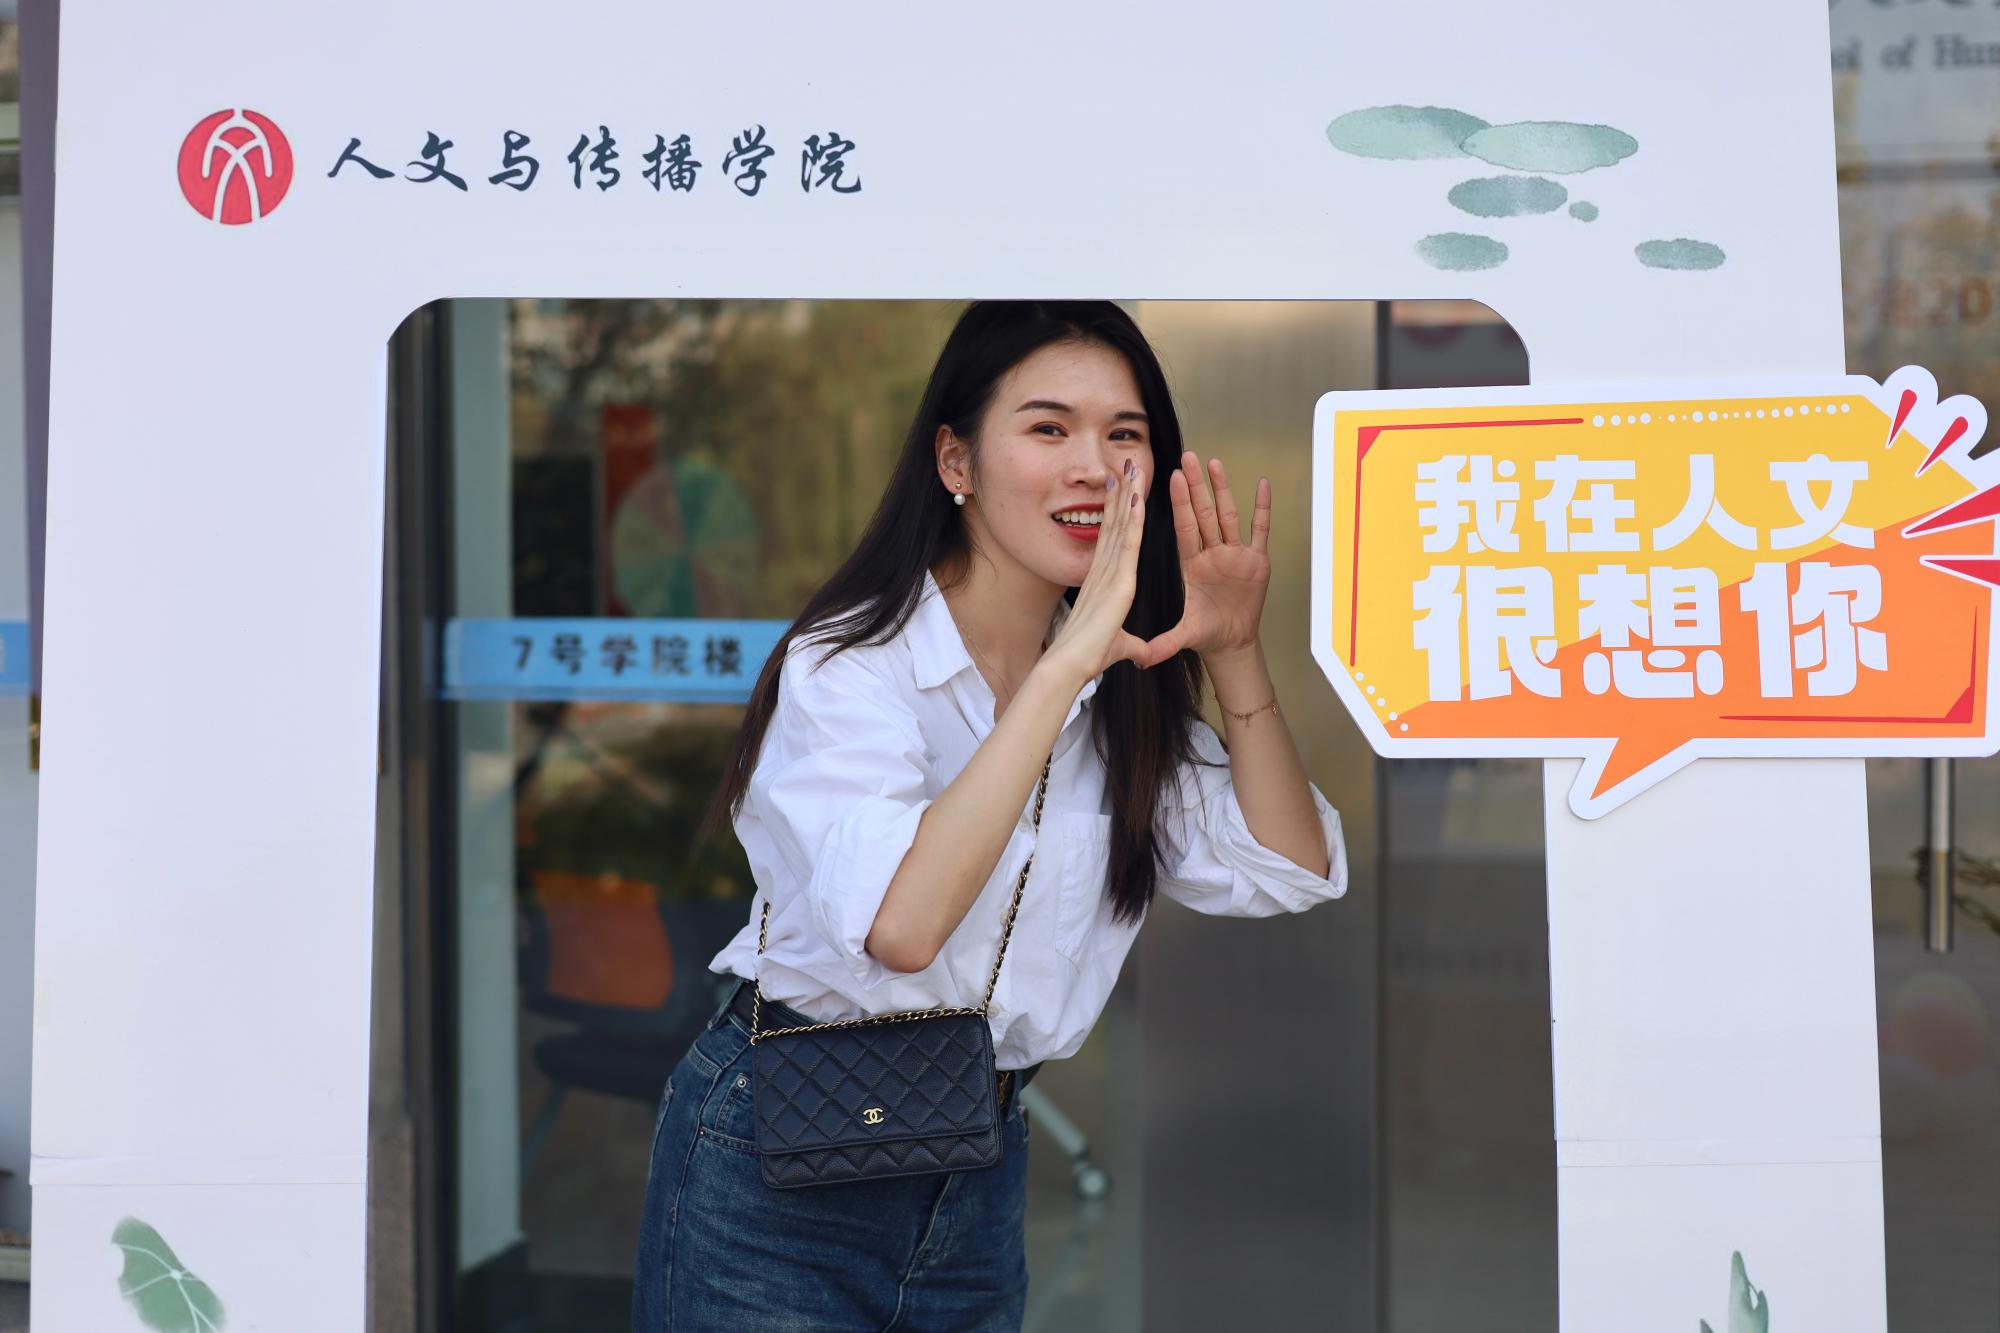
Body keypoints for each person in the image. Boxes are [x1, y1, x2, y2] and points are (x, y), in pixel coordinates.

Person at [631, 300, 1348, 1332]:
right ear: (955, 460)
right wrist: (1062, 670)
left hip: (973, 1160)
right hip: (778, 1166)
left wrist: (1232, 652)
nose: (1093, 467)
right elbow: (901, 926)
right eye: (1048, 428)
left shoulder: (1124, 693)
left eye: (1124, 434)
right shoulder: (851, 666)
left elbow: (1288, 866)